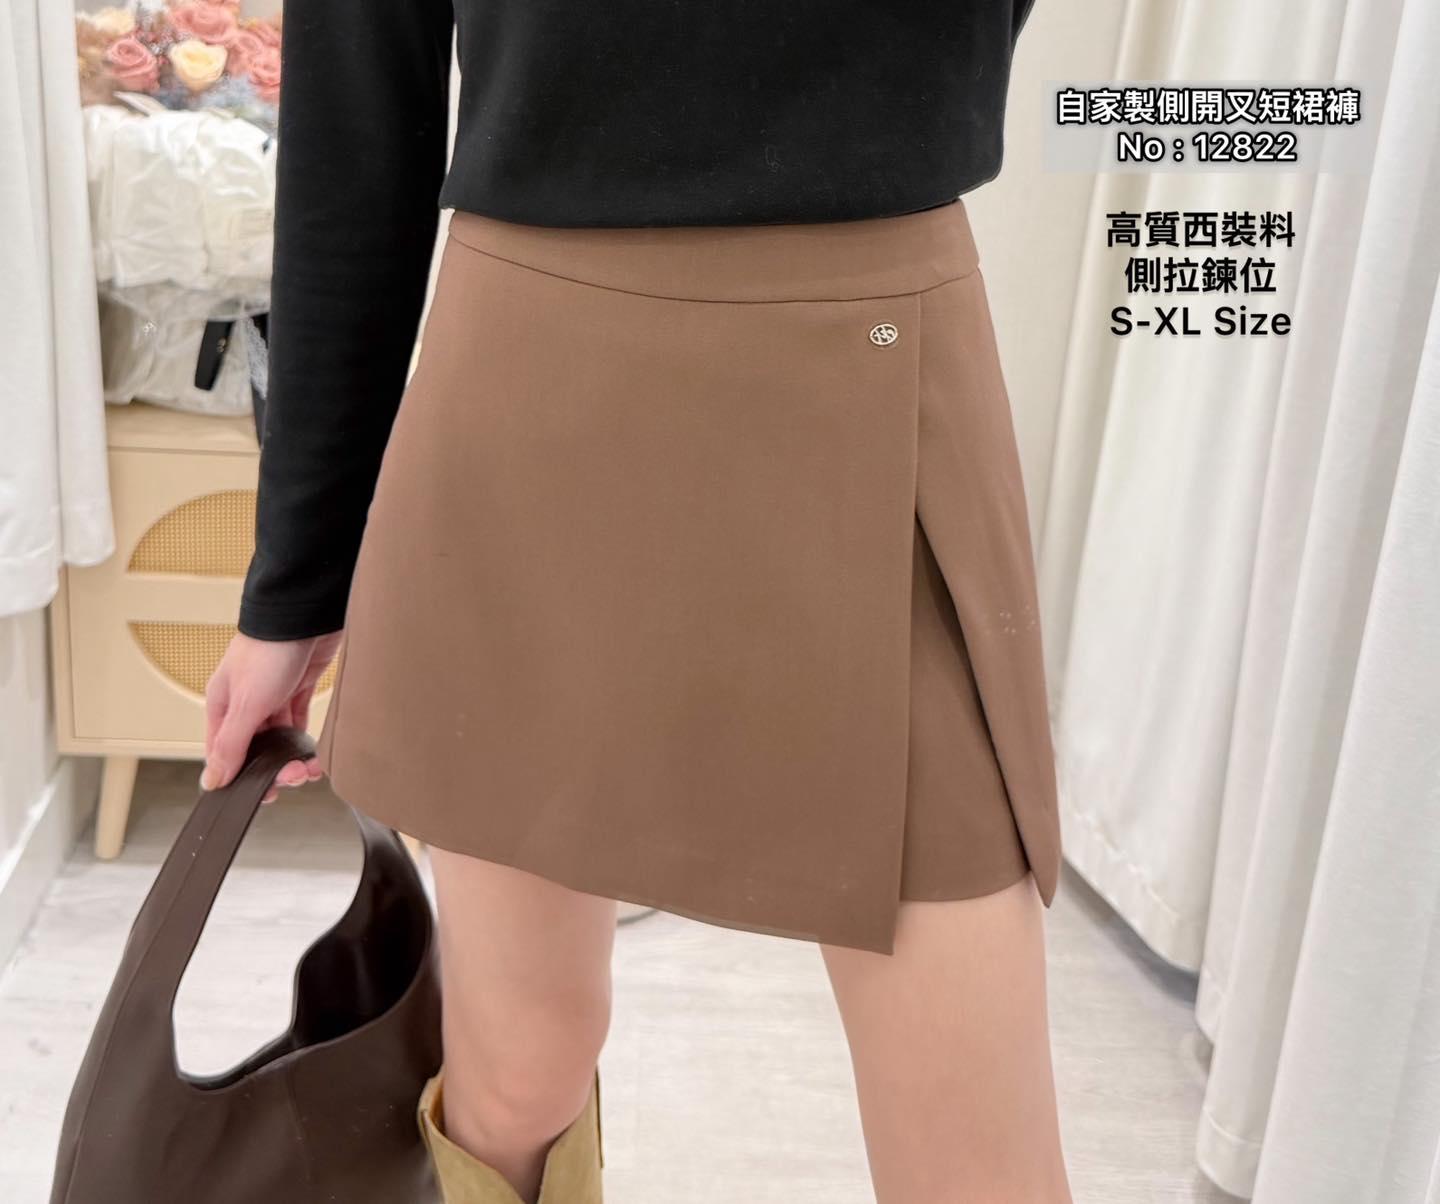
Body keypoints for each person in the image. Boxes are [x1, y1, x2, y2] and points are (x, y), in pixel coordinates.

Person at [204, 1, 1072, 1200]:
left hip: (874, 348)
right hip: (532, 382)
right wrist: (296, 583)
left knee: (977, 1145)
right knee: (517, 1075)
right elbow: (355, 128)